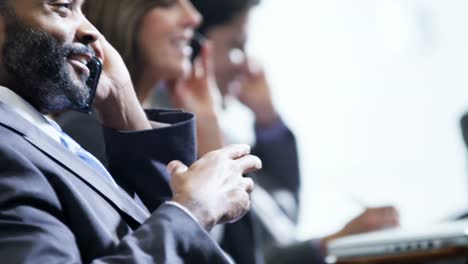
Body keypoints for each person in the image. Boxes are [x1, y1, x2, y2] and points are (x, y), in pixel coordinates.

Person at [0, 0, 262, 263]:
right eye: (63, 7)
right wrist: (193, 212)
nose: (91, 31)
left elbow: (147, 224)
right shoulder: (11, 148)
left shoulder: (37, 132)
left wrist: (123, 103)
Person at [186, 0, 401, 263]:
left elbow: (282, 218)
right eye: (235, 46)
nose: (247, 64)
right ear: (194, 45)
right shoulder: (184, 132)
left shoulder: (216, 127)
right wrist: (328, 246)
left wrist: (267, 117)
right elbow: (239, 252)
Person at [57, 0, 224, 163]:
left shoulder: (162, 119)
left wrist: (208, 127)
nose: (194, 17)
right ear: (121, 13)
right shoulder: (88, 130)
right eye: (167, 3)